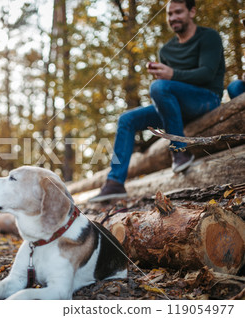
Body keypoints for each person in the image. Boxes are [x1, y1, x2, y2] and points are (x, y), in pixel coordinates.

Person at [90, 0, 225, 202]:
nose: (173, 18)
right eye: (170, 14)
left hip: (206, 100)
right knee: (126, 119)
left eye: (178, 12)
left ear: (192, 12)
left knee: (159, 87)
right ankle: (115, 181)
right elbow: (167, 87)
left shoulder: (209, 37)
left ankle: (179, 151)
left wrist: (171, 75)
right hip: (175, 107)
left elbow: (207, 74)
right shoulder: (167, 50)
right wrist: (164, 77)